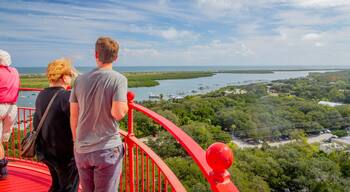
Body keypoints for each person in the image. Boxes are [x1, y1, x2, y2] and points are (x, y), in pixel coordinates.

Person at [70, 37, 128, 192]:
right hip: (106, 148)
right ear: (116, 57)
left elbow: (74, 115)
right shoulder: (119, 79)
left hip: (82, 149)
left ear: (96, 55)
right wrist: (126, 107)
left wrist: (77, 142)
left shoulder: (79, 80)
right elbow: (118, 113)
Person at [34, 58, 79, 191]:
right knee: (69, 187)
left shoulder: (41, 94)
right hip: (64, 154)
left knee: (57, 185)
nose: (71, 78)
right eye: (70, 75)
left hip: (46, 151)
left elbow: (36, 122)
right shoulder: (67, 97)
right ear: (64, 77)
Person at [0, 49, 19, 180]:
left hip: (0, 106)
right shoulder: (15, 71)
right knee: (2, 139)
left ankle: (3, 170)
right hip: (12, 108)